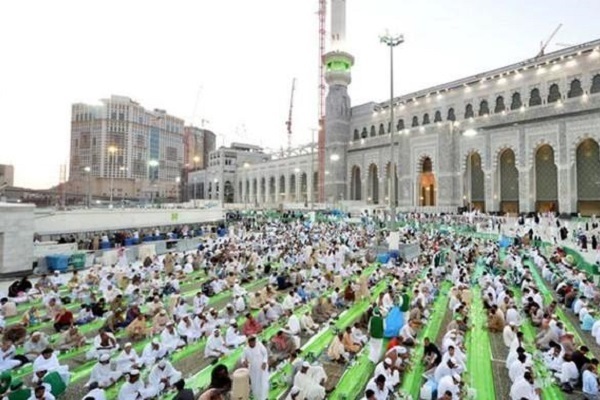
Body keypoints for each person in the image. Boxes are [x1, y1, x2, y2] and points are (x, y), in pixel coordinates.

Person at [241, 336, 269, 400]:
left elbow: (265, 354)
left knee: (263, 383)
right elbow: (242, 358)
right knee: (255, 386)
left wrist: (264, 362)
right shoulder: (246, 349)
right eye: (251, 342)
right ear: (249, 343)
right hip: (253, 370)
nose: (253, 343)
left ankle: (265, 397)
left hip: (262, 368)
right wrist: (244, 362)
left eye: (254, 341)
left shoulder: (259, 345)